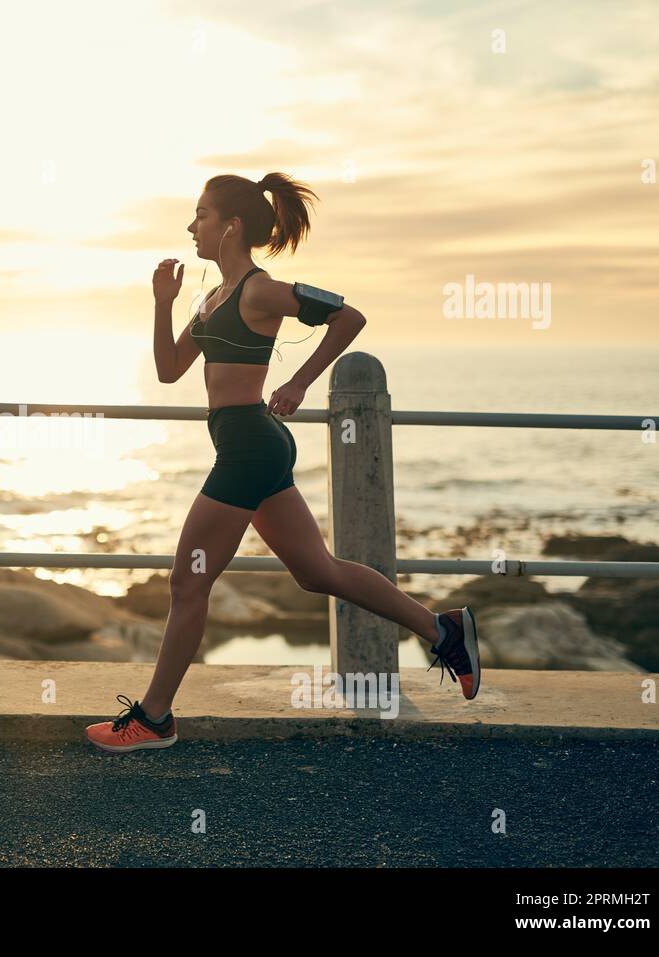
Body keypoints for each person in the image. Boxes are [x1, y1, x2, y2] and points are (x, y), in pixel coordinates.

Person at [85, 171, 481, 753]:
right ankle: (441, 629)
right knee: (317, 571)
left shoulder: (258, 290)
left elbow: (349, 317)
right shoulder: (210, 299)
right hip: (246, 444)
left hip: (249, 446)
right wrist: (161, 305)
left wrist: (297, 382)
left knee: (186, 583)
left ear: (231, 226)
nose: (191, 227)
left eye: (201, 215)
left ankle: (155, 718)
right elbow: (170, 369)